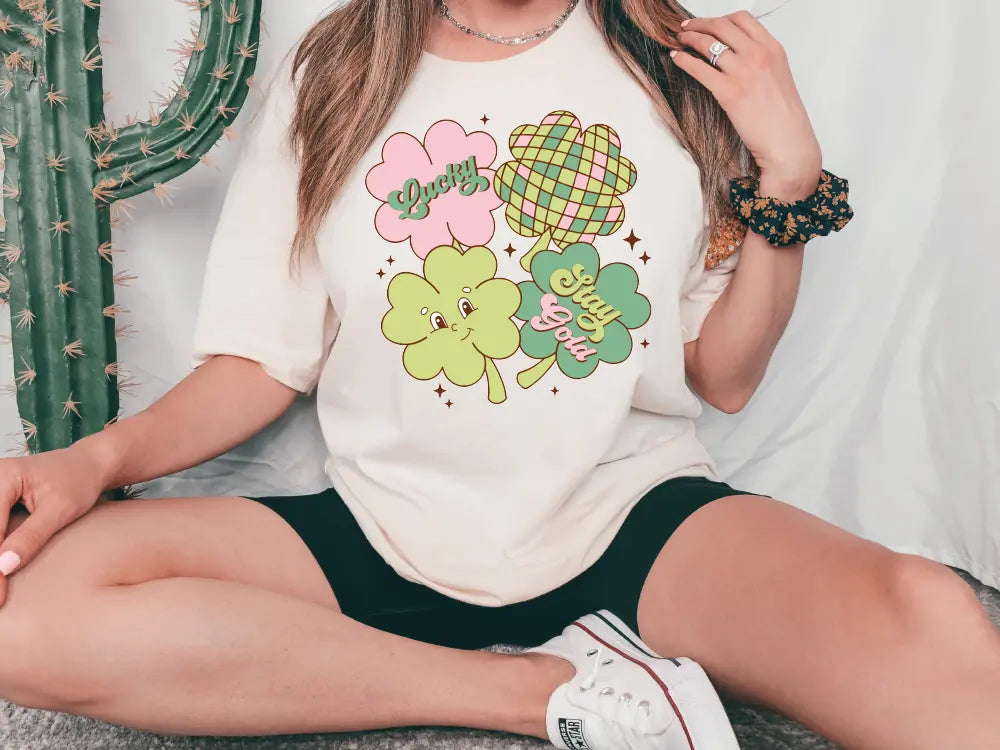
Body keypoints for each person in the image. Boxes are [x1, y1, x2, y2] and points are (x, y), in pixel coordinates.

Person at [0, 1, 996, 748]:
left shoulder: (678, 63)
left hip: (632, 521)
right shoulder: (337, 67)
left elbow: (724, 375)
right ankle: (539, 692)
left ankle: (580, 661)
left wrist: (788, 181)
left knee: (932, 620)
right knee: (25, 616)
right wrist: (94, 461)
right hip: (377, 529)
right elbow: (264, 359)